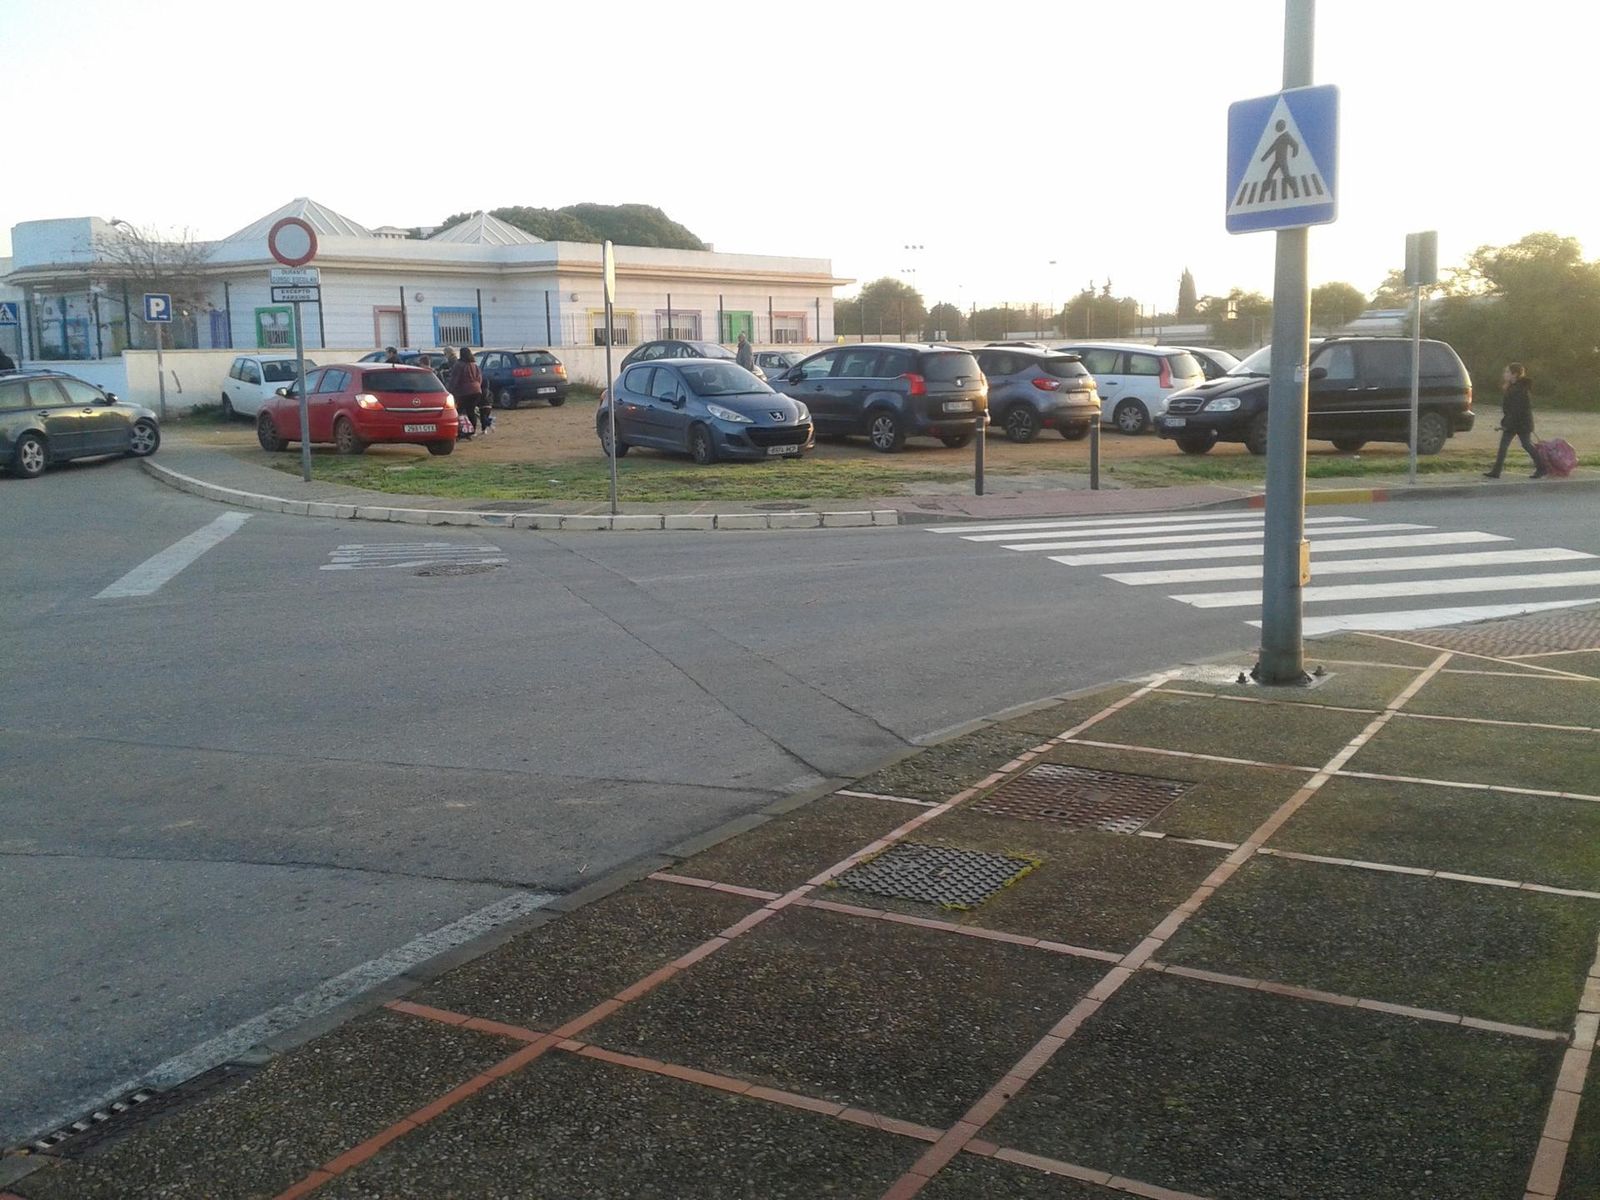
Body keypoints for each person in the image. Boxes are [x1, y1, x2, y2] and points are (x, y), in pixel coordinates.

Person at [1484, 362, 1544, 479]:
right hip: (1514, 423)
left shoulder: (1519, 389)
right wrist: (1506, 422)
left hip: (1521, 423)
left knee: (1526, 445)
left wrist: (1506, 424)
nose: (1504, 374)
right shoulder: (1513, 387)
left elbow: (1516, 410)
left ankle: (1542, 468)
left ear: (1515, 374)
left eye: (1507, 372)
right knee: (1505, 446)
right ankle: (1496, 471)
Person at [448, 346, 488, 437]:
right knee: (471, 411)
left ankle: (462, 430)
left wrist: (450, 390)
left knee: (459, 411)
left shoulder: (459, 365)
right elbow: (479, 378)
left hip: (464, 392)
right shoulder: (474, 365)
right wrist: (477, 386)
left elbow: (455, 379)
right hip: (476, 391)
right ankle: (472, 431)